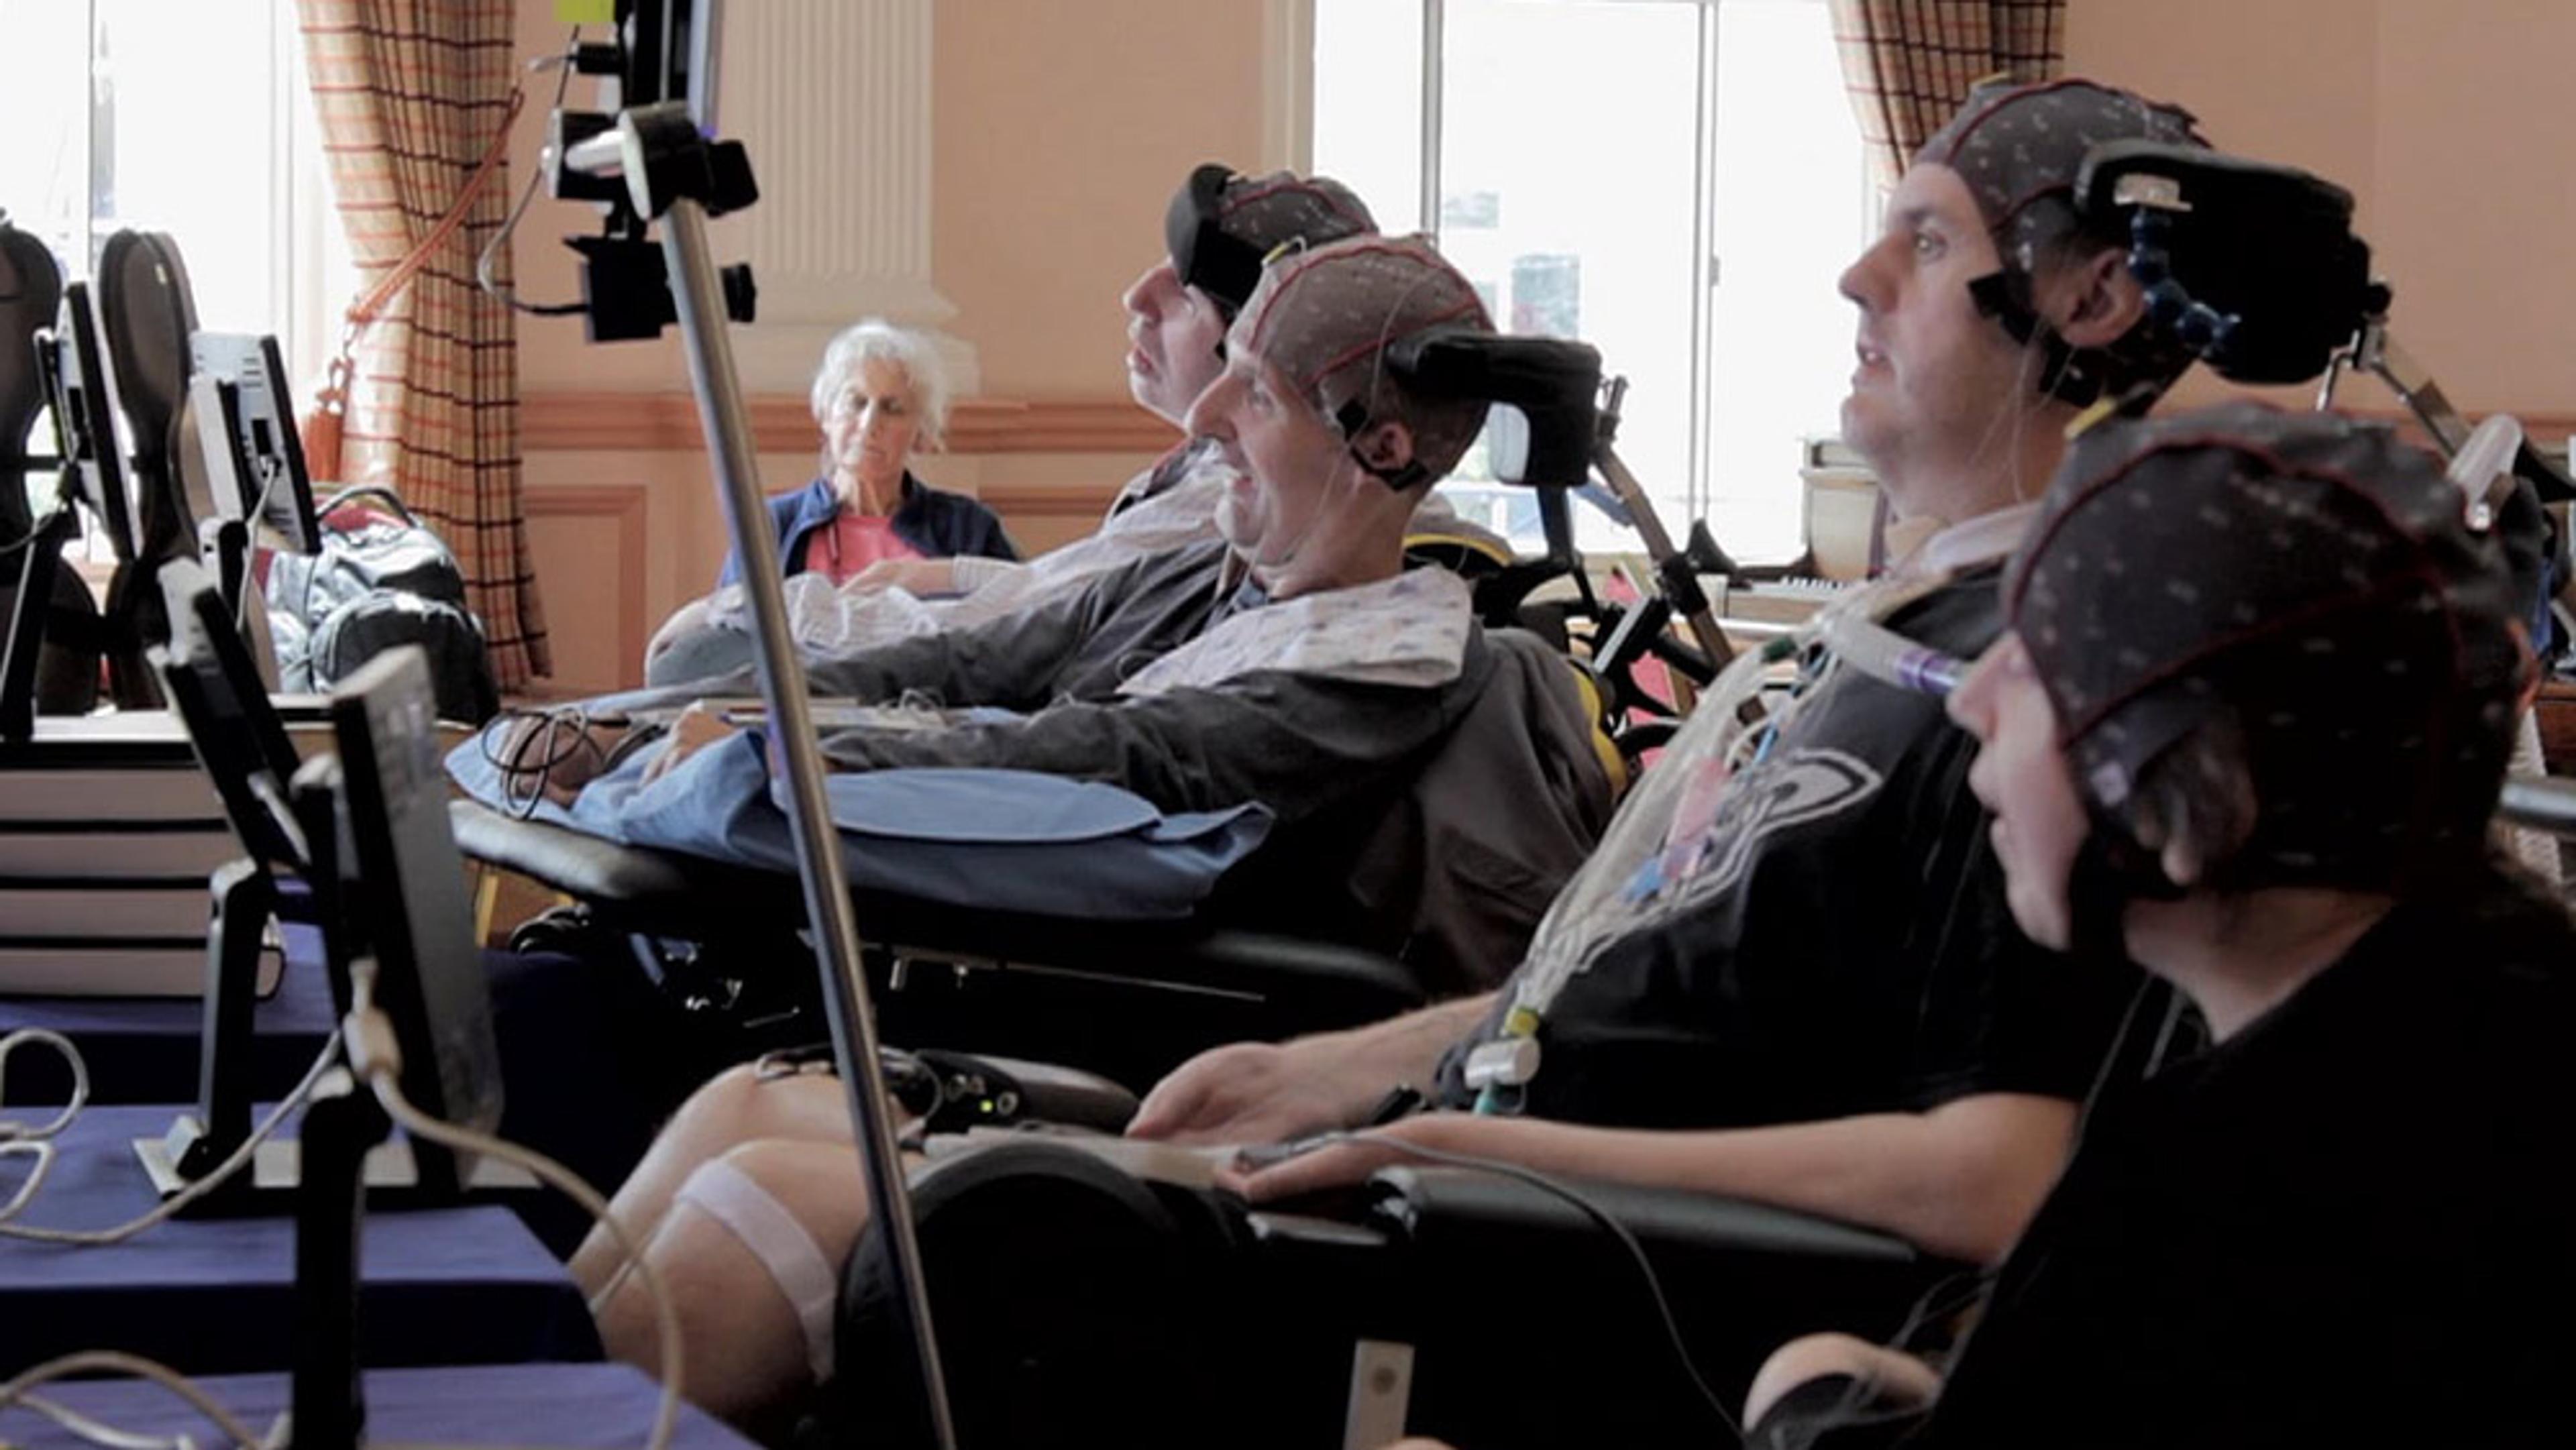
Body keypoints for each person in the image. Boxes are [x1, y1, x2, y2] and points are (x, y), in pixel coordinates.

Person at [564, 77, 2210, 1424]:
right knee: (738, 1110)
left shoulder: (2038, 667)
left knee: (765, 1216)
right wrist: (1362, 1057)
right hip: (1441, 1128)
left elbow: (2001, 1171)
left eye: (1919, 243)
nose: (1854, 278)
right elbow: (1633, 967)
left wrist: (1450, 1133)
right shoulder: (1878, 630)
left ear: (2090, 295)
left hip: (1563, 1242)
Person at [1740, 403, 2570, 1450]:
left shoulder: (2204, 1199)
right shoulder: (2507, 1004)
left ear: (2192, 777)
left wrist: (1806, 1394)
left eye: (2035, 655)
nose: (1972, 700)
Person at [641, 166, 1380, 685]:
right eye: (854, 403)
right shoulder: (1199, 472)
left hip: (993, 718)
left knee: (696, 659)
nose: (1135, 295)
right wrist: (947, 575)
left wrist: (759, 609)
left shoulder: (1240, 496)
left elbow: (1021, 627)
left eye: (1184, 292)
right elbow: (1057, 595)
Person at [709, 317, 1016, 592]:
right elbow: (728, 635)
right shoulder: (772, 526)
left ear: (920, 434)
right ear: (827, 416)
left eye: (892, 409)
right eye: (856, 403)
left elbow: (1030, 612)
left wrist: (943, 576)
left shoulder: (968, 527)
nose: (869, 425)